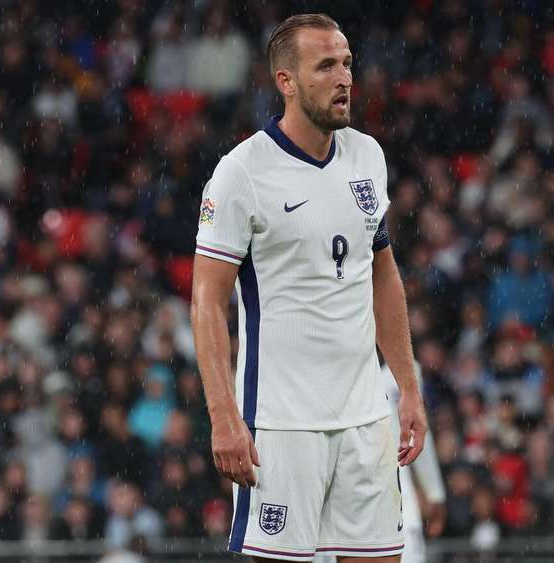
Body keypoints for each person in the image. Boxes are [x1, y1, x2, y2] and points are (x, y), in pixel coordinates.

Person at [190, 13, 427, 563]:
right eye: (326, 66)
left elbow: (383, 274)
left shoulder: (368, 157)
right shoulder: (241, 173)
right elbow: (206, 301)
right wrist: (224, 416)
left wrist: (407, 387)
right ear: (287, 82)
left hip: (366, 417)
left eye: (347, 64)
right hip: (280, 422)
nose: (344, 78)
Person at [314, 362, 446, 563]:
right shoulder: (329, 356)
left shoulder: (405, 368)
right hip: (335, 478)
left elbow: (418, 432)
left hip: (394, 481)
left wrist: (434, 491)